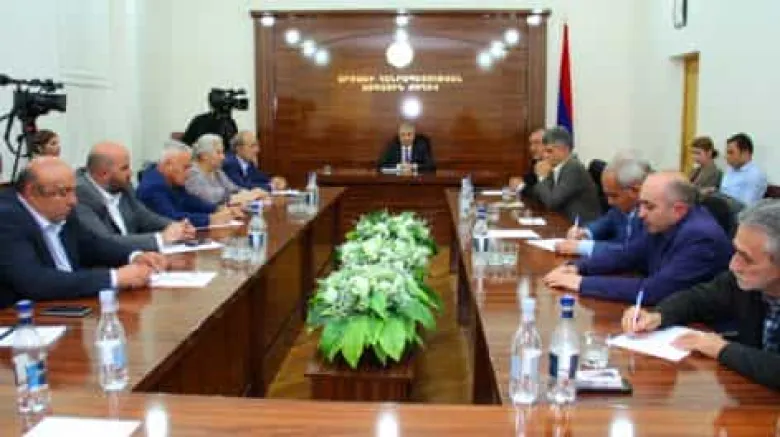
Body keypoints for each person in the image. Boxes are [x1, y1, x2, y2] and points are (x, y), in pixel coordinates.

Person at [622, 200, 780, 390]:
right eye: (736, 252)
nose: (733, 265)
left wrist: (722, 349)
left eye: (746, 258)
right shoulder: (742, 281)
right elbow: (697, 299)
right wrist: (659, 316)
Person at [544, 172, 733, 304]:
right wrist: (577, 267)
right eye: (640, 205)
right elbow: (627, 255)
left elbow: (655, 290)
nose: (641, 214)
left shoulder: (701, 238)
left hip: (705, 329)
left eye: (649, 207)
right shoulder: (664, 223)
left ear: (679, 210)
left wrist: (580, 283)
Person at [0, 157, 166, 308]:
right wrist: (114, 277)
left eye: (73, 191)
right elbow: (35, 281)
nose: (73, 201)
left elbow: (93, 245)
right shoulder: (6, 219)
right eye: (63, 192)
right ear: (31, 192)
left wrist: (134, 256)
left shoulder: (61, 211)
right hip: (22, 317)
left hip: (71, 306)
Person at [74, 141, 196, 252]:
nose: (130, 173)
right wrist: (160, 238)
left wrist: (177, 227)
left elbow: (144, 216)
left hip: (135, 258)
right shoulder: (80, 194)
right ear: (104, 174)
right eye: (124, 168)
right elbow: (104, 241)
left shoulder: (123, 186)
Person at [555, 154, 650, 256]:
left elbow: (632, 251)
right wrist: (585, 233)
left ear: (635, 190)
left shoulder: (650, 215)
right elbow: (606, 223)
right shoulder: (621, 208)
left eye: (614, 196)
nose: (609, 202)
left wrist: (583, 247)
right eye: (607, 195)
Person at [137, 140, 242, 228]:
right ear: (168, 165)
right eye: (185, 167)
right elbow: (172, 218)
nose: (188, 173)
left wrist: (217, 209)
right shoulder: (153, 187)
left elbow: (189, 201)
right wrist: (210, 219)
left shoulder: (172, 180)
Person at [532, 126, 602, 222]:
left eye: (549, 151)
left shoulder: (573, 168)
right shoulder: (556, 166)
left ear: (564, 150)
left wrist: (542, 177)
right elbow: (539, 197)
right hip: (561, 221)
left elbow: (552, 202)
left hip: (580, 226)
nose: (545, 156)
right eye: (544, 151)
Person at [185, 134, 265, 205]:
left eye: (222, 152)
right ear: (204, 155)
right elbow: (211, 198)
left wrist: (250, 193)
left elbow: (233, 188)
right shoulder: (192, 173)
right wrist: (245, 196)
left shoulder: (217, 171)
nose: (223, 157)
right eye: (218, 153)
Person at [222, 131, 287, 192]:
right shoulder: (229, 163)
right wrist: (271, 186)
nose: (257, 150)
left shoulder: (248, 162)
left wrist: (275, 180)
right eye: (252, 146)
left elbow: (259, 177)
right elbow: (241, 186)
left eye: (257, 146)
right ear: (239, 148)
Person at [720, 133, 767, 206]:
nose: (726, 156)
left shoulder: (755, 175)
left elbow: (745, 207)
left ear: (745, 153)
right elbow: (723, 193)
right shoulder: (730, 169)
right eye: (727, 152)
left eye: (731, 152)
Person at [508, 127, 545, 197]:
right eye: (531, 144)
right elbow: (529, 183)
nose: (532, 148)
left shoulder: (557, 165)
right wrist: (518, 182)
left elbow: (543, 196)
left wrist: (520, 186)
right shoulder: (536, 161)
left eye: (537, 143)